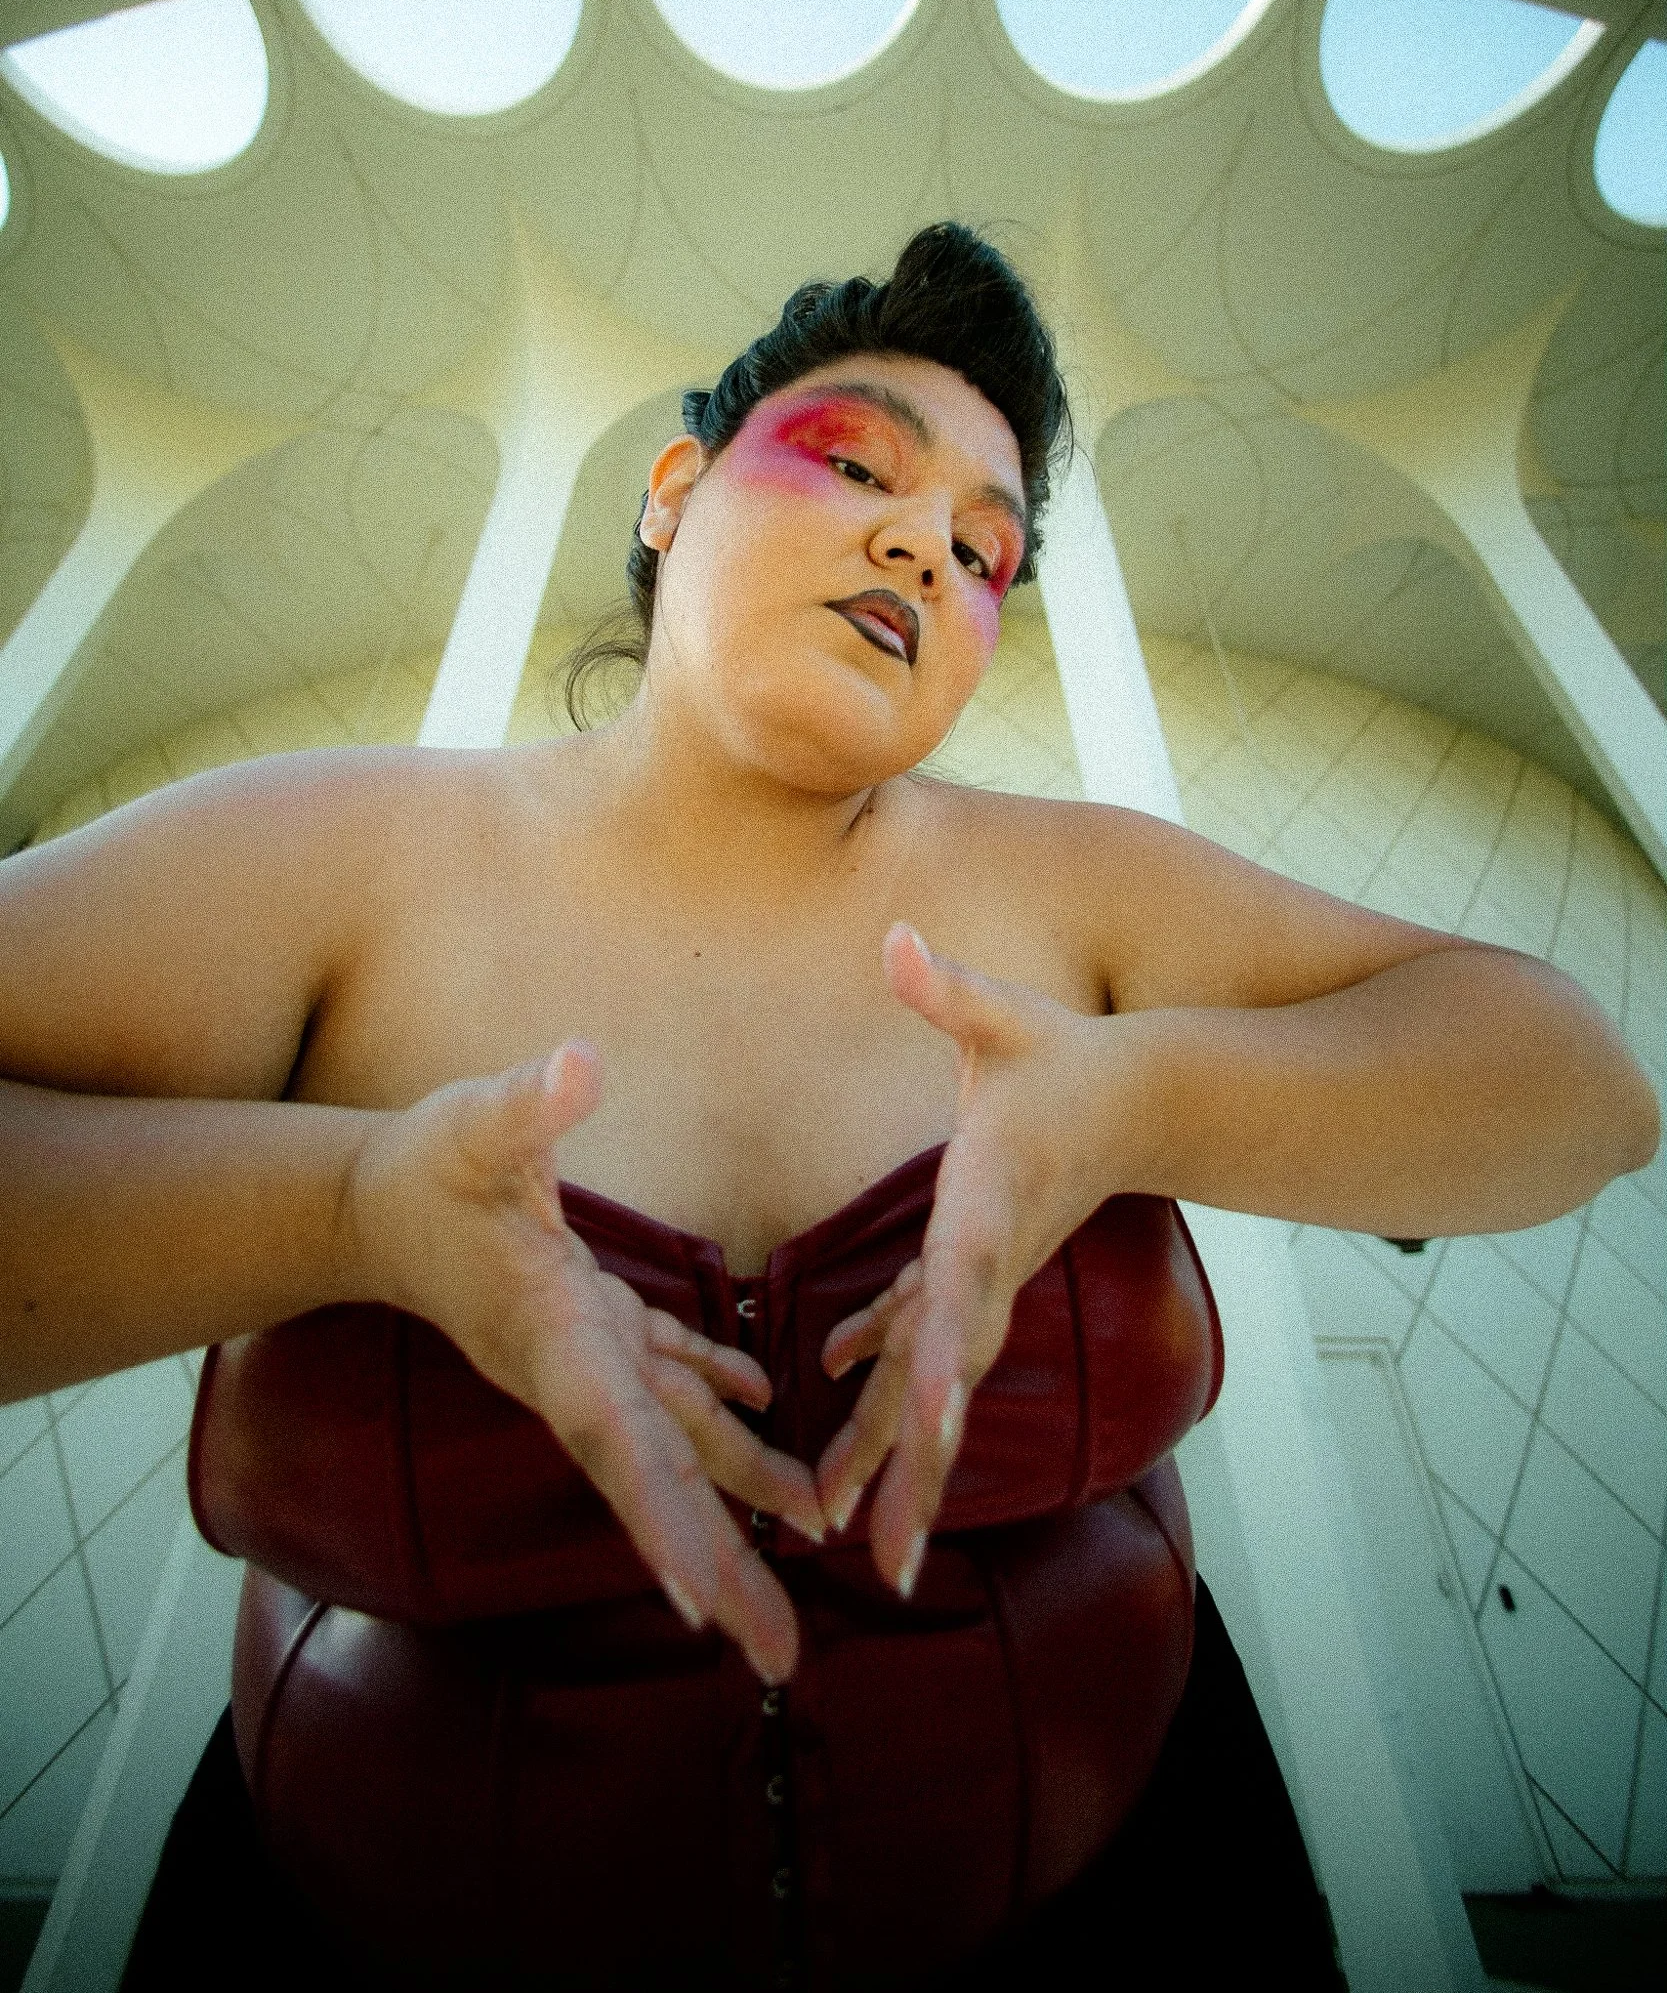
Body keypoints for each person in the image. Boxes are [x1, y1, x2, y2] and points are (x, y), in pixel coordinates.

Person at [0, 224, 1655, 1991]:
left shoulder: (1077, 894)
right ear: (670, 492)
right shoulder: (335, 856)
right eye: (857, 462)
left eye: (983, 547)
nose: (919, 543)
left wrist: (1137, 1100)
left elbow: (1574, 1085)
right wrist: (344, 1215)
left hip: (1126, 1912)